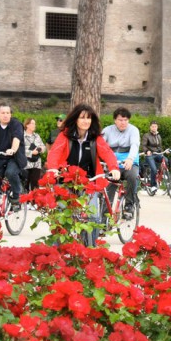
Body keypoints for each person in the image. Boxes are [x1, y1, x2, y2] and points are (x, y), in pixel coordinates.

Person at [46, 104, 121, 243]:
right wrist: (53, 168)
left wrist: (114, 168)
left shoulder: (95, 138)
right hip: (66, 180)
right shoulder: (65, 136)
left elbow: (107, 153)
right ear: (75, 119)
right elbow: (55, 152)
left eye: (89, 118)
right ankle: (57, 251)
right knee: (62, 216)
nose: (86, 121)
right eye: (82, 118)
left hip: (89, 182)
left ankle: (91, 248)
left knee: (92, 216)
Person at [102, 107, 140, 218]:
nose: (123, 122)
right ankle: (105, 216)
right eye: (120, 120)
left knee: (132, 176)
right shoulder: (107, 130)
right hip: (113, 163)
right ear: (115, 120)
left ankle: (129, 205)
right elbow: (101, 146)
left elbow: (134, 145)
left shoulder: (133, 130)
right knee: (108, 186)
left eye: (125, 120)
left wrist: (130, 159)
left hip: (129, 162)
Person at [23, 118, 46, 199]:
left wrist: (40, 149)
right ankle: (26, 200)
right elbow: (19, 149)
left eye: (35, 123)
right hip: (26, 163)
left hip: (36, 163)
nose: (34, 125)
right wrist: (31, 152)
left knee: (35, 183)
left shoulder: (37, 136)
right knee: (26, 183)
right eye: (32, 123)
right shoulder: (22, 136)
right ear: (27, 125)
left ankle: (34, 201)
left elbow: (43, 147)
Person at [141, 121, 165, 194]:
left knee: (165, 160)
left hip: (157, 154)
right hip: (150, 155)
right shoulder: (146, 135)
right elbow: (143, 145)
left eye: (155, 126)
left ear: (157, 127)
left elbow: (160, 147)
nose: (154, 128)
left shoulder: (158, 136)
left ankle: (162, 175)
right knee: (154, 169)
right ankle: (153, 186)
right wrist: (147, 151)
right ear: (150, 127)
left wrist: (163, 152)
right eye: (153, 126)